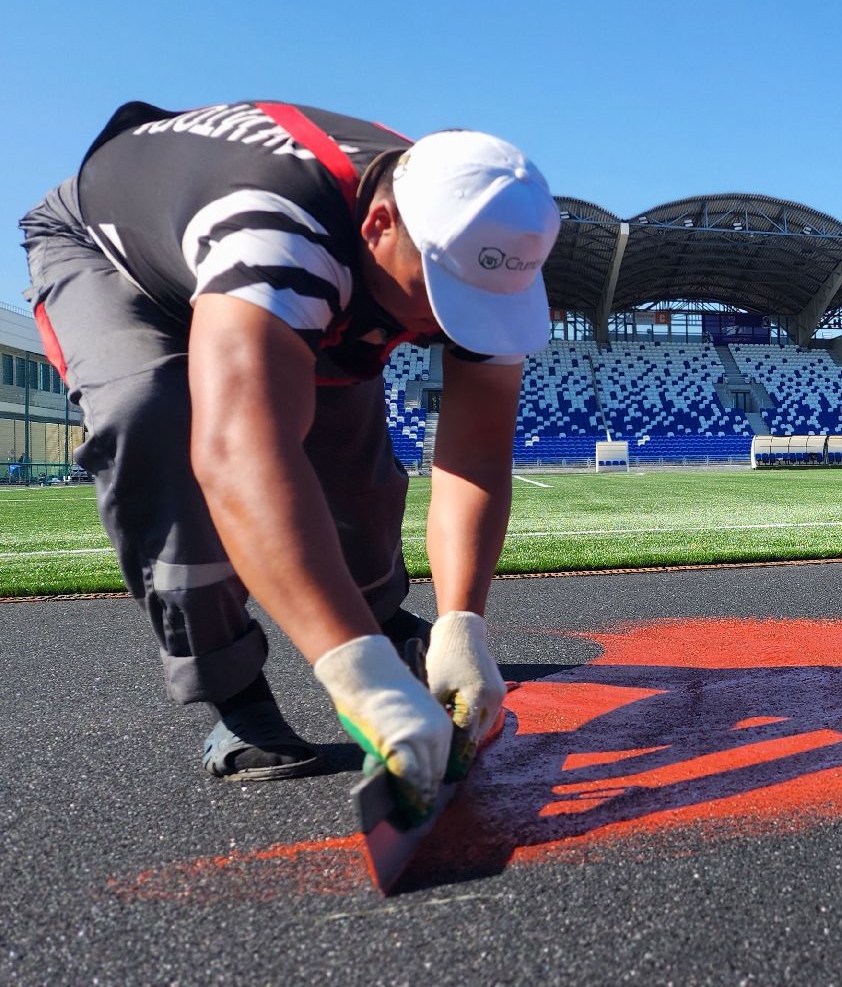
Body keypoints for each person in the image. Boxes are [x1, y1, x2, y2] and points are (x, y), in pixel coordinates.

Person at [19, 101, 559, 819]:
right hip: (121, 263)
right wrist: (357, 675)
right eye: (434, 294)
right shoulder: (277, 235)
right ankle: (234, 692)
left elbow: (476, 457)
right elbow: (240, 458)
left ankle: (386, 617)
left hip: (301, 270)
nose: (441, 325)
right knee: (151, 422)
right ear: (380, 226)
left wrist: (464, 622)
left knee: (357, 478)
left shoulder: (490, 250)